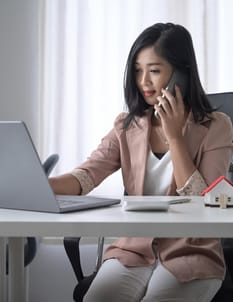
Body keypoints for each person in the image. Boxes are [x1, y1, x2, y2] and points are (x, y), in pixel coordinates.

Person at [49, 23, 233, 302]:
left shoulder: (216, 126)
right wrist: (39, 185)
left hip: (192, 253)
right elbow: (85, 176)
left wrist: (175, 138)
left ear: (181, 73)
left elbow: (207, 202)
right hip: (132, 252)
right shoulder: (127, 126)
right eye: (137, 70)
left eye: (155, 70)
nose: (143, 81)